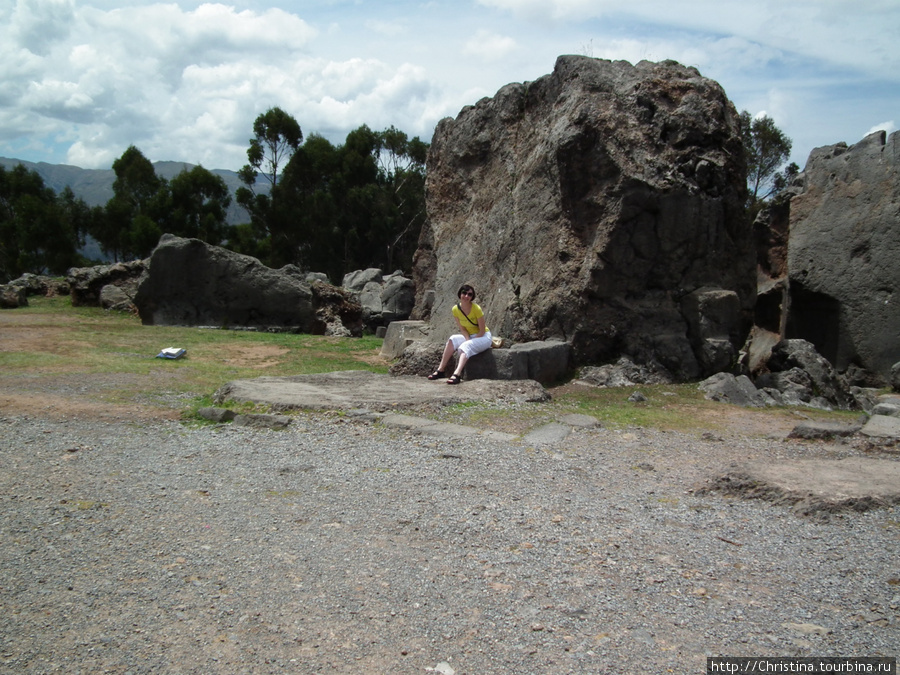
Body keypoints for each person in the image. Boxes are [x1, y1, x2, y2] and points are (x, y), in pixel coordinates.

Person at [428, 284, 492, 385]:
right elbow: (462, 329)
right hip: (470, 335)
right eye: (464, 293)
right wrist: (467, 339)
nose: (466, 296)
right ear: (460, 294)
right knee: (452, 339)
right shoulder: (455, 309)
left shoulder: (476, 309)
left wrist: (470, 341)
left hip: (484, 337)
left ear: (472, 297)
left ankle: (457, 374)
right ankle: (441, 370)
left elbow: (482, 330)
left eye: (469, 294)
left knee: (466, 346)